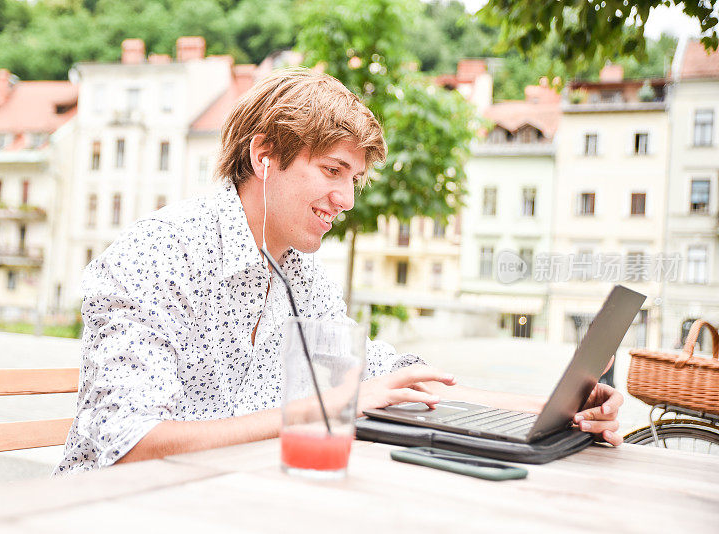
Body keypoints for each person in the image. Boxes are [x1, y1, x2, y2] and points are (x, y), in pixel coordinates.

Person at [55, 68, 623, 475]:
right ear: (265, 156)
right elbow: (125, 444)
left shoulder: (301, 272)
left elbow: (390, 378)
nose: (347, 198)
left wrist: (561, 411)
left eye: (354, 179)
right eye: (333, 170)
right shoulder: (157, 255)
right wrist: (321, 408)